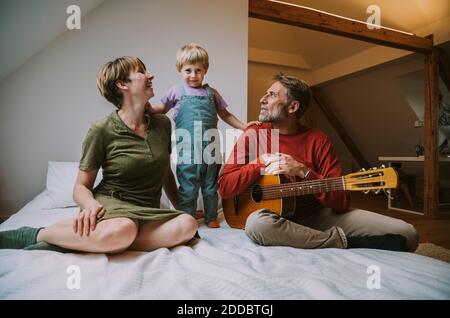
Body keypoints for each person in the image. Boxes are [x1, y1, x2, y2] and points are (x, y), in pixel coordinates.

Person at [0, 56, 197, 253]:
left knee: (188, 224)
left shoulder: (162, 123)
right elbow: (80, 187)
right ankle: (36, 234)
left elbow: (165, 173)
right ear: (122, 84)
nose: (150, 75)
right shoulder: (101, 129)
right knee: (124, 228)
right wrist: (91, 205)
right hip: (111, 204)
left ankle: (101, 241)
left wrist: (182, 208)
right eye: (140, 71)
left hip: (148, 209)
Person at [218, 74, 419, 252]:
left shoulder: (318, 140)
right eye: (266, 94)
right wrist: (259, 163)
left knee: (408, 233)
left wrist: (304, 171)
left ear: (293, 106)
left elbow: (342, 202)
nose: (262, 99)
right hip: (271, 218)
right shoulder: (254, 134)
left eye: (271, 95)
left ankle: (306, 238)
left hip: (316, 215)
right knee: (257, 225)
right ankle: (337, 242)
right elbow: (225, 187)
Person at [148, 43, 259, 228]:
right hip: (186, 146)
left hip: (211, 145)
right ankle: (187, 218)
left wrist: (244, 126)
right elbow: (162, 108)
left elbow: (225, 114)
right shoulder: (176, 91)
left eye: (198, 70)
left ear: (205, 70)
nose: (193, 75)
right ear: (180, 70)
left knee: (210, 185)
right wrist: (149, 108)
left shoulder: (211, 93)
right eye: (188, 70)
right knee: (188, 185)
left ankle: (211, 217)